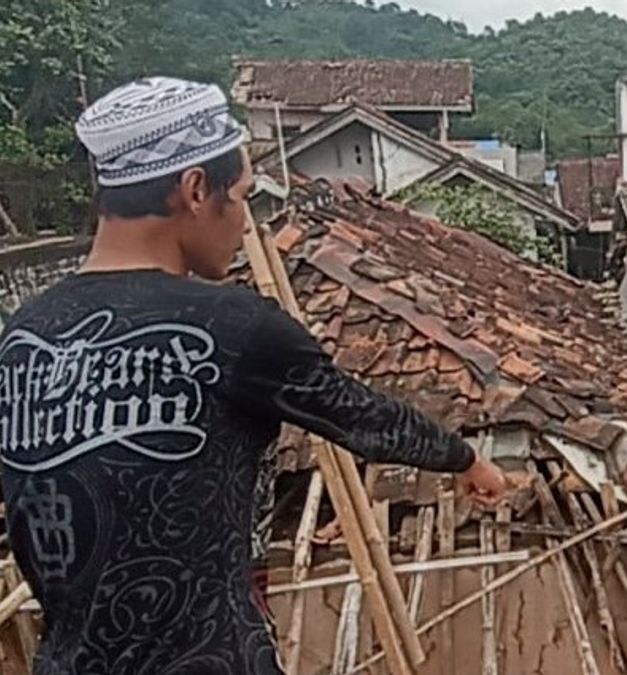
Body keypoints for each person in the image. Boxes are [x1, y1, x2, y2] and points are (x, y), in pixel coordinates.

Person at [0, 77, 507, 674]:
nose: (244, 222)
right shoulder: (232, 327)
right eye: (240, 196)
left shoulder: (24, 336)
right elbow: (367, 420)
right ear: (194, 190)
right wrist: (466, 460)